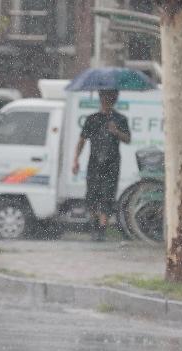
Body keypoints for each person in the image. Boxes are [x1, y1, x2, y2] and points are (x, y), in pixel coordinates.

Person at [72, 90, 131, 241]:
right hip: (95, 161)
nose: (106, 101)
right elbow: (82, 140)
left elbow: (127, 139)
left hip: (112, 162)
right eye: (104, 98)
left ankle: (102, 230)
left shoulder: (120, 119)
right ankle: (94, 226)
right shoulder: (92, 119)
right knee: (92, 194)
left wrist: (116, 131)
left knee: (108, 195)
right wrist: (75, 160)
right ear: (100, 99)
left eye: (110, 99)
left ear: (114, 100)